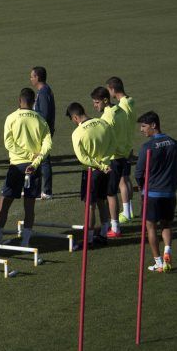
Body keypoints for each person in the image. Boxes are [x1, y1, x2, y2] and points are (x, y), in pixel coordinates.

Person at [0, 89, 52, 249]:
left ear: (19, 101)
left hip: (16, 167)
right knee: (29, 207)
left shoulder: (11, 118)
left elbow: (8, 143)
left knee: (4, 204)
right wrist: (35, 160)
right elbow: (47, 145)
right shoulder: (41, 120)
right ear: (33, 102)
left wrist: (26, 154)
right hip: (33, 168)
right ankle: (25, 241)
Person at [135, 111, 177, 272]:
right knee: (166, 224)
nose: (141, 130)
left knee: (150, 227)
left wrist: (142, 187)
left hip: (152, 195)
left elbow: (138, 173)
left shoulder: (147, 147)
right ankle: (167, 251)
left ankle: (158, 262)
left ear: (154, 125)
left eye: (144, 126)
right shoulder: (174, 143)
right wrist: (172, 183)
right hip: (169, 193)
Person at [66, 102, 116, 248]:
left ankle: (88, 240)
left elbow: (82, 158)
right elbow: (113, 143)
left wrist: (99, 165)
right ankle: (104, 234)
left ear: (75, 117)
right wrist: (105, 163)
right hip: (107, 168)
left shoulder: (78, 133)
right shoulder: (102, 123)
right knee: (102, 201)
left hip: (91, 171)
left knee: (90, 205)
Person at [90, 86, 128, 238]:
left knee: (110, 193)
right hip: (122, 155)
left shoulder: (106, 117)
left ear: (105, 100)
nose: (95, 105)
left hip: (112, 158)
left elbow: (103, 140)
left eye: (97, 102)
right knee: (109, 192)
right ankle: (110, 224)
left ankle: (115, 228)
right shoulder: (120, 111)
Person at [107, 76, 136, 223]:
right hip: (129, 144)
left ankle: (125, 212)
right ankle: (129, 210)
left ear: (112, 89)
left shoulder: (123, 105)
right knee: (126, 178)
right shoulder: (130, 100)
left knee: (122, 180)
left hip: (122, 146)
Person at [30, 66, 55, 199]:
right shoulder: (43, 91)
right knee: (40, 159)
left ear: (37, 77)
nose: (30, 79)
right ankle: (39, 189)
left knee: (44, 160)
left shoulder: (44, 92)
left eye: (32, 76)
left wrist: (33, 114)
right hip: (43, 131)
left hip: (43, 132)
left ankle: (47, 191)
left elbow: (44, 115)